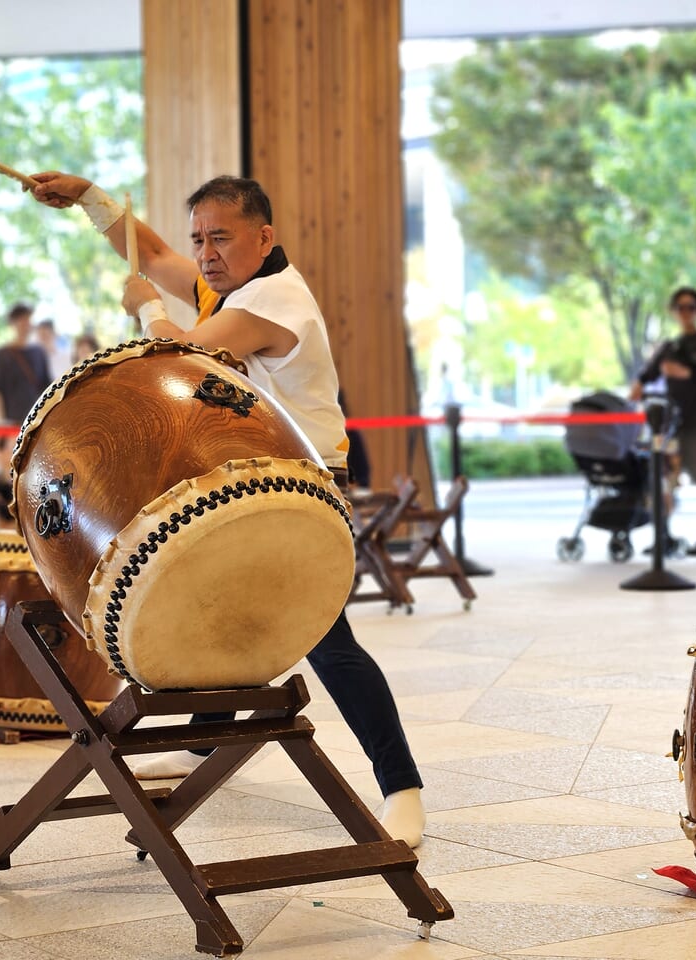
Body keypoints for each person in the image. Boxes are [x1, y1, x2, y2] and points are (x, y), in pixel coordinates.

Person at [25, 171, 426, 848]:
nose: (206, 253)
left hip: (308, 488)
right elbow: (149, 255)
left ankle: (402, 789)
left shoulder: (275, 298)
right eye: (200, 239)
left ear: (263, 236)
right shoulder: (239, 285)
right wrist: (90, 197)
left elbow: (186, 362)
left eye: (221, 238)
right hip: (259, 480)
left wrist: (148, 310)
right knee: (223, 610)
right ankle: (204, 748)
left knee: (328, 642)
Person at [630, 286, 696, 557]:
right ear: (674, 312)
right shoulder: (669, 348)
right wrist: (639, 388)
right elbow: (644, 378)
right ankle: (665, 535)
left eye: (691, 307)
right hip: (671, 425)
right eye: (681, 308)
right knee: (665, 481)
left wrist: (686, 373)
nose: (686, 313)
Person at [0, 303, 51, 423]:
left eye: (28, 320)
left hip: (37, 420)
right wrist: (1, 420)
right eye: (21, 320)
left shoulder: (39, 352)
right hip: (12, 420)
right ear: (13, 323)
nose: (26, 324)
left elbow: (47, 386)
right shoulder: (2, 354)